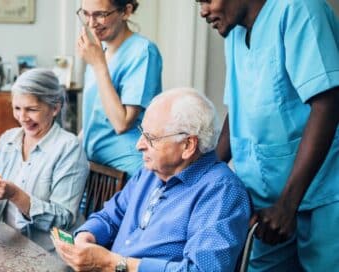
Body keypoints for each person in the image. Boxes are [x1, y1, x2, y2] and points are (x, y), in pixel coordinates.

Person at [197, 0, 339, 270]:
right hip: (265, 201)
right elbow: (237, 108)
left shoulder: (299, 9)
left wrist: (288, 203)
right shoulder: (234, 32)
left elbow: (327, 102)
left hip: (323, 196)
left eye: (207, 0)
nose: (203, 11)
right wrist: (200, 174)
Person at [53, 88, 251, 271]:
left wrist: (114, 263)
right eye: (142, 133)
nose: (139, 145)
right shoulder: (150, 172)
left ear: (188, 145)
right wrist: (85, 237)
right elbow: (109, 216)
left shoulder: (220, 191)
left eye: (150, 138)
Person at [0, 69, 89, 251]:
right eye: (17, 108)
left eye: (32, 110)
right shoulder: (8, 139)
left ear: (55, 108)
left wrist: (16, 195)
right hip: (5, 244)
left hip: (45, 255)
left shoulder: (68, 148)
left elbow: (63, 220)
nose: (23, 118)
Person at [77, 0, 162, 177]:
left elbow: (122, 123)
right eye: (86, 14)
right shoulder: (100, 52)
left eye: (100, 14)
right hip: (94, 167)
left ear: (126, 11)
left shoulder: (142, 51)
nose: (91, 23)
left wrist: (99, 65)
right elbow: (95, 115)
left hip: (127, 168)